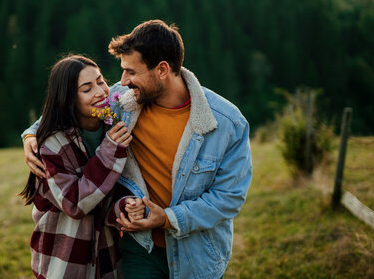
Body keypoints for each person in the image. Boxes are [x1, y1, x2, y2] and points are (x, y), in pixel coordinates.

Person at [23, 20, 253, 279]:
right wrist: (31, 134)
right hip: (140, 247)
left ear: (162, 70)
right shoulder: (123, 101)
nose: (121, 81)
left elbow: (229, 197)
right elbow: (67, 105)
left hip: (198, 252)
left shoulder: (226, 123)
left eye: (131, 72)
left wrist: (167, 218)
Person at [19, 54, 145, 279]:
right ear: (68, 98)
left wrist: (126, 206)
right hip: (65, 261)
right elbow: (75, 203)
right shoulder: (52, 145)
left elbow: (105, 201)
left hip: (107, 259)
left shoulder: (112, 127)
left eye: (100, 81)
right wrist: (110, 151)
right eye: (87, 89)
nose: (100, 92)